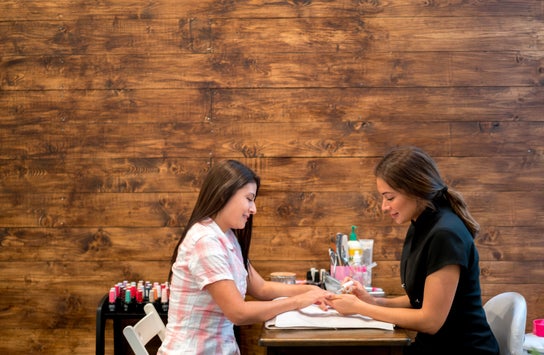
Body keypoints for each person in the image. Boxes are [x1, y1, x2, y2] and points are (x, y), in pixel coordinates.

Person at [325, 146, 499, 355]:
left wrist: (359, 308)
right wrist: (373, 301)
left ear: (416, 190)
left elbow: (430, 320)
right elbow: (419, 298)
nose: (383, 206)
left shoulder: (445, 233)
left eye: (389, 198)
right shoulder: (421, 225)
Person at [158, 160, 329, 355]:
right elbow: (238, 313)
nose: (253, 209)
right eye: (249, 198)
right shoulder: (205, 242)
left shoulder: (226, 236)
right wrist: (299, 301)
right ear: (224, 194)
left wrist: (310, 290)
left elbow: (262, 288)